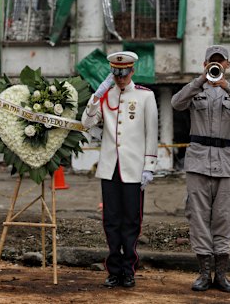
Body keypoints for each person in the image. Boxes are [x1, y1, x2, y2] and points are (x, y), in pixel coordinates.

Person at [171, 45, 230, 293]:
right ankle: (202, 275)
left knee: (226, 218)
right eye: (212, 62)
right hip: (198, 162)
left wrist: (227, 87)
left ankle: (221, 275)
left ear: (228, 65)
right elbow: (176, 103)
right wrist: (201, 80)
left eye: (220, 62)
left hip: (227, 163)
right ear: (205, 63)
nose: (216, 66)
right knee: (198, 218)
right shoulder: (195, 89)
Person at [81, 51, 158, 288]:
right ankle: (113, 269)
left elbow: (151, 133)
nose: (120, 78)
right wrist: (97, 95)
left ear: (132, 71)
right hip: (110, 168)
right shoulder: (106, 96)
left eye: (124, 74)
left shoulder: (146, 96)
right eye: (116, 74)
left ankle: (129, 269)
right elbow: (86, 122)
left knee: (132, 221)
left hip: (134, 168)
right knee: (111, 220)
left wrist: (150, 166)